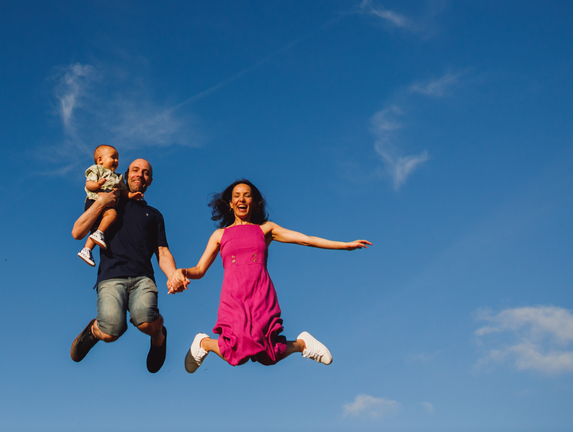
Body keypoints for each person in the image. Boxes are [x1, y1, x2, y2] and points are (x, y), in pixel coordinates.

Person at [176, 179, 371, 373]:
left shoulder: (265, 229)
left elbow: (306, 240)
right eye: (236, 196)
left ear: (254, 202)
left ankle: (303, 344)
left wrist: (344, 245)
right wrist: (182, 272)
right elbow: (200, 269)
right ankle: (204, 343)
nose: (241, 199)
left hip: (260, 293)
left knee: (267, 355)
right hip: (233, 296)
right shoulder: (220, 235)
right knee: (236, 352)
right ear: (230, 203)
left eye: (247, 195)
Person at [69, 158, 188, 373]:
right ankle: (94, 331)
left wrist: (173, 275)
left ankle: (159, 336)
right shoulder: (107, 202)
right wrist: (101, 202)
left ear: (150, 181)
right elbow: (77, 232)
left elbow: (162, 251)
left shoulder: (154, 215)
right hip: (111, 276)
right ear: (126, 174)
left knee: (145, 321)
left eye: (145, 173)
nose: (139, 175)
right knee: (111, 332)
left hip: (142, 278)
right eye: (135, 170)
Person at [77, 144, 125, 266]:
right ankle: (99, 234)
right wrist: (98, 185)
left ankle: (86, 250)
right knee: (112, 214)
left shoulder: (118, 177)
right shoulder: (96, 170)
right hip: (94, 201)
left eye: (117, 159)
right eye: (113, 157)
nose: (116, 161)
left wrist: (131, 195)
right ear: (100, 160)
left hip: (107, 204)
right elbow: (89, 184)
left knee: (95, 230)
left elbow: (124, 191)